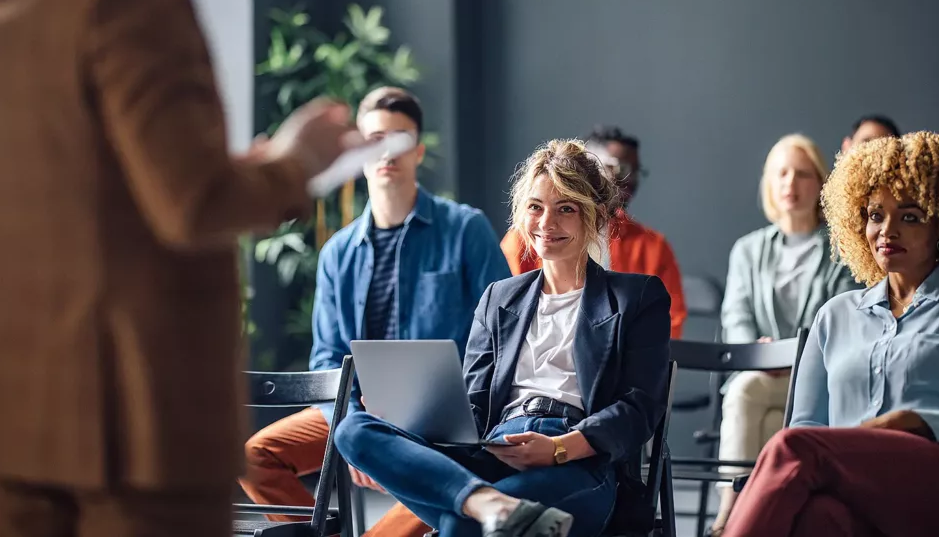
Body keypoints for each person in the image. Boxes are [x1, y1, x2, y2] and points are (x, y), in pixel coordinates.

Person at [0, 0, 361, 536]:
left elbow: (85, 188)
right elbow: (194, 204)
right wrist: (297, 161)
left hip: (16, 420)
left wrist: (236, 166)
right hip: (139, 425)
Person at [333, 139, 672, 537]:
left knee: (461, 526)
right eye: (535, 207)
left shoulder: (638, 296)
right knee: (353, 430)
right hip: (495, 448)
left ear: (595, 216)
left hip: (579, 461)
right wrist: (408, 416)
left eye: (566, 209)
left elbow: (638, 410)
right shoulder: (499, 298)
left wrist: (561, 447)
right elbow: (473, 409)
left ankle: (479, 505)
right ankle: (486, 502)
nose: (547, 224)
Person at [241, 87, 511, 537]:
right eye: (376, 139)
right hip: (357, 410)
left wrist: (458, 402)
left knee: (458, 470)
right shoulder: (337, 253)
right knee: (255, 455)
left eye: (400, 139)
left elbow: (503, 331)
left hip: (446, 413)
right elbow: (327, 356)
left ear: (419, 150)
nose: (388, 152)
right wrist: (352, 429)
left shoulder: (465, 229)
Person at [723, 131, 939, 537]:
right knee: (819, 518)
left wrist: (922, 420)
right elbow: (808, 422)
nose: (887, 231)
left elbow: (800, 443)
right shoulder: (836, 316)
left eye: (910, 216)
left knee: (791, 448)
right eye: (876, 215)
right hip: (850, 478)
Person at [709, 134, 858, 536]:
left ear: (821, 182)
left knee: (751, 397)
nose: (791, 183)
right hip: (759, 374)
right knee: (747, 392)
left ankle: (745, 519)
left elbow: (842, 319)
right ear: (769, 183)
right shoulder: (748, 249)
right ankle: (734, 513)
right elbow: (736, 315)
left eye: (803, 174)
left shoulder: (842, 250)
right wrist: (757, 354)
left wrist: (792, 357)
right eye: (782, 173)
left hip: (815, 374)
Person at [500, 126, 686, 338]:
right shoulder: (529, 238)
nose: (631, 180)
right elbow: (507, 313)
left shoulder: (652, 246)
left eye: (635, 171)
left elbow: (669, 323)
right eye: (621, 168)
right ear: (589, 169)